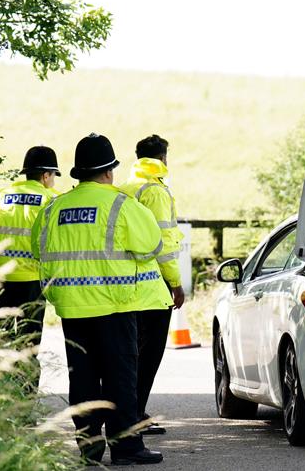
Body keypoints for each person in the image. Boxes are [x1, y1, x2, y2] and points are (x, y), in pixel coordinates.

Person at [31, 133, 172, 466]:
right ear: (109, 171)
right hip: (115, 305)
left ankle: (89, 449)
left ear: (78, 172)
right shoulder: (122, 205)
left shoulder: (54, 206)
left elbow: (39, 249)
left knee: (82, 379)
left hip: (72, 308)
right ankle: (126, 447)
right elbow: (152, 245)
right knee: (120, 378)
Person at [119, 134, 185, 436]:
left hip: (124, 281)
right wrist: (174, 282)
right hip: (152, 282)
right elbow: (163, 242)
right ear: (163, 158)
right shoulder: (156, 191)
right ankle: (134, 415)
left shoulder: (125, 187)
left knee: (131, 350)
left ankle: (130, 412)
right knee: (150, 351)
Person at [0, 145, 59, 358]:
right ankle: (26, 389)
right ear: (46, 175)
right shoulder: (52, 201)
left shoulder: (0, 197)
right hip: (33, 281)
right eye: (54, 175)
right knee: (28, 344)